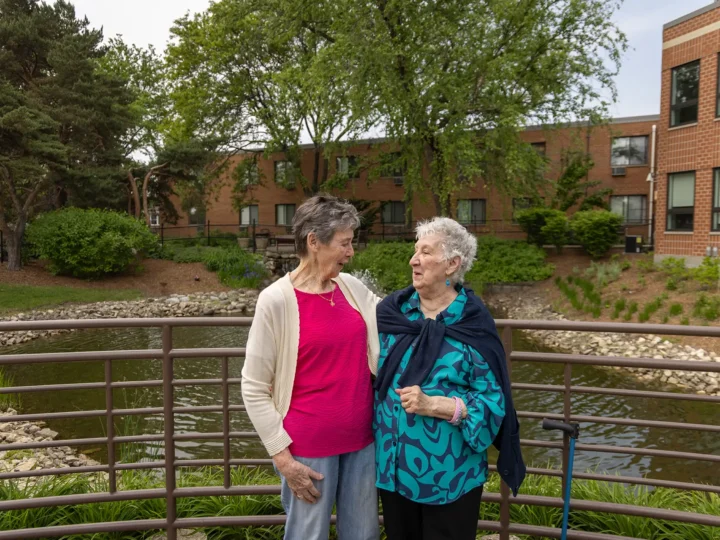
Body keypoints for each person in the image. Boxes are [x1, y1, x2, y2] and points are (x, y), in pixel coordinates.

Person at [373, 217, 526, 540]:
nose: (413, 260)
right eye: (415, 251)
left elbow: (493, 402)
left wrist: (441, 406)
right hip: (393, 470)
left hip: (449, 477)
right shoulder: (394, 313)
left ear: (452, 264)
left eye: (425, 253)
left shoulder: (472, 322)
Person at [241, 194, 381, 540]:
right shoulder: (275, 300)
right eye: (345, 243)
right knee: (308, 535)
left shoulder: (352, 288)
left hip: (362, 443)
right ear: (314, 242)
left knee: (363, 535)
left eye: (352, 243)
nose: (351, 252)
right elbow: (254, 386)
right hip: (307, 450)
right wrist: (283, 459)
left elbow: (397, 317)